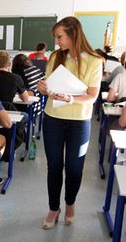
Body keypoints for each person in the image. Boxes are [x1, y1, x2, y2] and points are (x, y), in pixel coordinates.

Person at [37, 16, 102, 230]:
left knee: (75, 169)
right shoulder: (56, 56)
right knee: (54, 167)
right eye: (55, 37)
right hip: (53, 119)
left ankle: (70, 204)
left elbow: (92, 96)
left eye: (59, 36)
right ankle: (53, 207)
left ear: (73, 33)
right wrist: (43, 88)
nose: (56, 41)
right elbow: (48, 85)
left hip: (79, 122)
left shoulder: (94, 60)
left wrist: (71, 99)